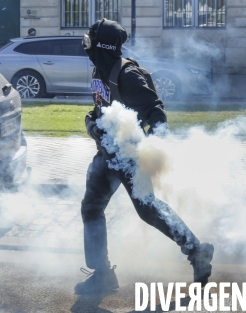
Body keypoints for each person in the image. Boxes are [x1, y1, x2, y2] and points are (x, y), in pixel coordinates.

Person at [75, 18, 214, 295]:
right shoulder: (98, 70)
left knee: (147, 210)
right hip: (106, 155)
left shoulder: (127, 75)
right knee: (91, 208)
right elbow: (101, 108)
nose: (86, 41)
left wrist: (150, 149)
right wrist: (91, 121)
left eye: (91, 37)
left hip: (129, 155)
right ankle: (102, 274)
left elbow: (156, 113)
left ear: (100, 44)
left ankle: (196, 251)